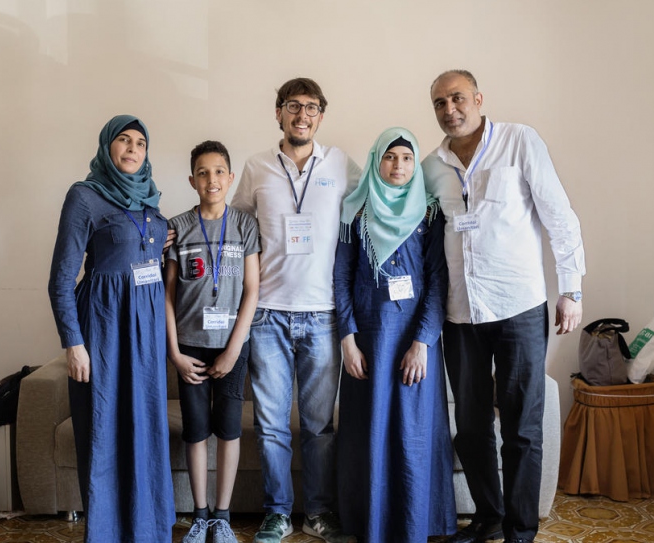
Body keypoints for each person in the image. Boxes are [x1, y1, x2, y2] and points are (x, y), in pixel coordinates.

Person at [422, 70, 586, 543]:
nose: (449, 109)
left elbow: (559, 215)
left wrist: (571, 289)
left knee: (522, 427)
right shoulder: (431, 166)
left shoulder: (519, 142)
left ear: (478, 98)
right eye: (439, 103)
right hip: (460, 314)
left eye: (457, 98)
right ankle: (488, 516)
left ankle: (520, 529)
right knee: (471, 427)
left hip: (519, 308)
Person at [230, 77, 360, 543]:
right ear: (278, 113)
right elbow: (234, 225)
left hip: (324, 315)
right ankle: (277, 513)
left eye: (310, 107)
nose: (302, 115)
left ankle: (318, 513)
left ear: (321, 115)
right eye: (292, 106)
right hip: (267, 314)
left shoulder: (341, 164)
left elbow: (379, 204)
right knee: (270, 426)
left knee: (320, 427)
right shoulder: (257, 166)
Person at [48, 115, 176, 542]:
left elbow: (147, 250)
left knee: (145, 427)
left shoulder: (151, 202)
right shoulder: (85, 197)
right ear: (107, 146)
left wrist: (163, 236)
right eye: (124, 140)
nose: (133, 148)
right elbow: (61, 280)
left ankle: (147, 530)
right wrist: (73, 343)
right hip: (102, 329)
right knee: (103, 428)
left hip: (146, 335)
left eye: (141, 142)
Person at [333, 127, 456, 542]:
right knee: (369, 432)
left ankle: (416, 524)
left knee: (413, 432)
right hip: (368, 342)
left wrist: (422, 343)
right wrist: (347, 339)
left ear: (415, 163)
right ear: (376, 162)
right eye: (389, 157)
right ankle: (369, 524)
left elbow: (438, 282)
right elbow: (341, 277)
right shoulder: (356, 212)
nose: (398, 165)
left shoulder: (429, 212)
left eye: (406, 157)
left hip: (414, 342)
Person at [164, 141, 260, 543]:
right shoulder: (178, 226)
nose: (211, 179)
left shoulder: (245, 225)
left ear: (231, 177)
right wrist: (174, 353)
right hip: (190, 347)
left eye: (219, 171)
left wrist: (234, 349)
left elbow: (252, 290)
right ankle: (200, 515)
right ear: (192, 180)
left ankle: (222, 516)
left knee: (229, 430)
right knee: (196, 431)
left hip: (232, 346)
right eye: (202, 172)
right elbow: (168, 296)